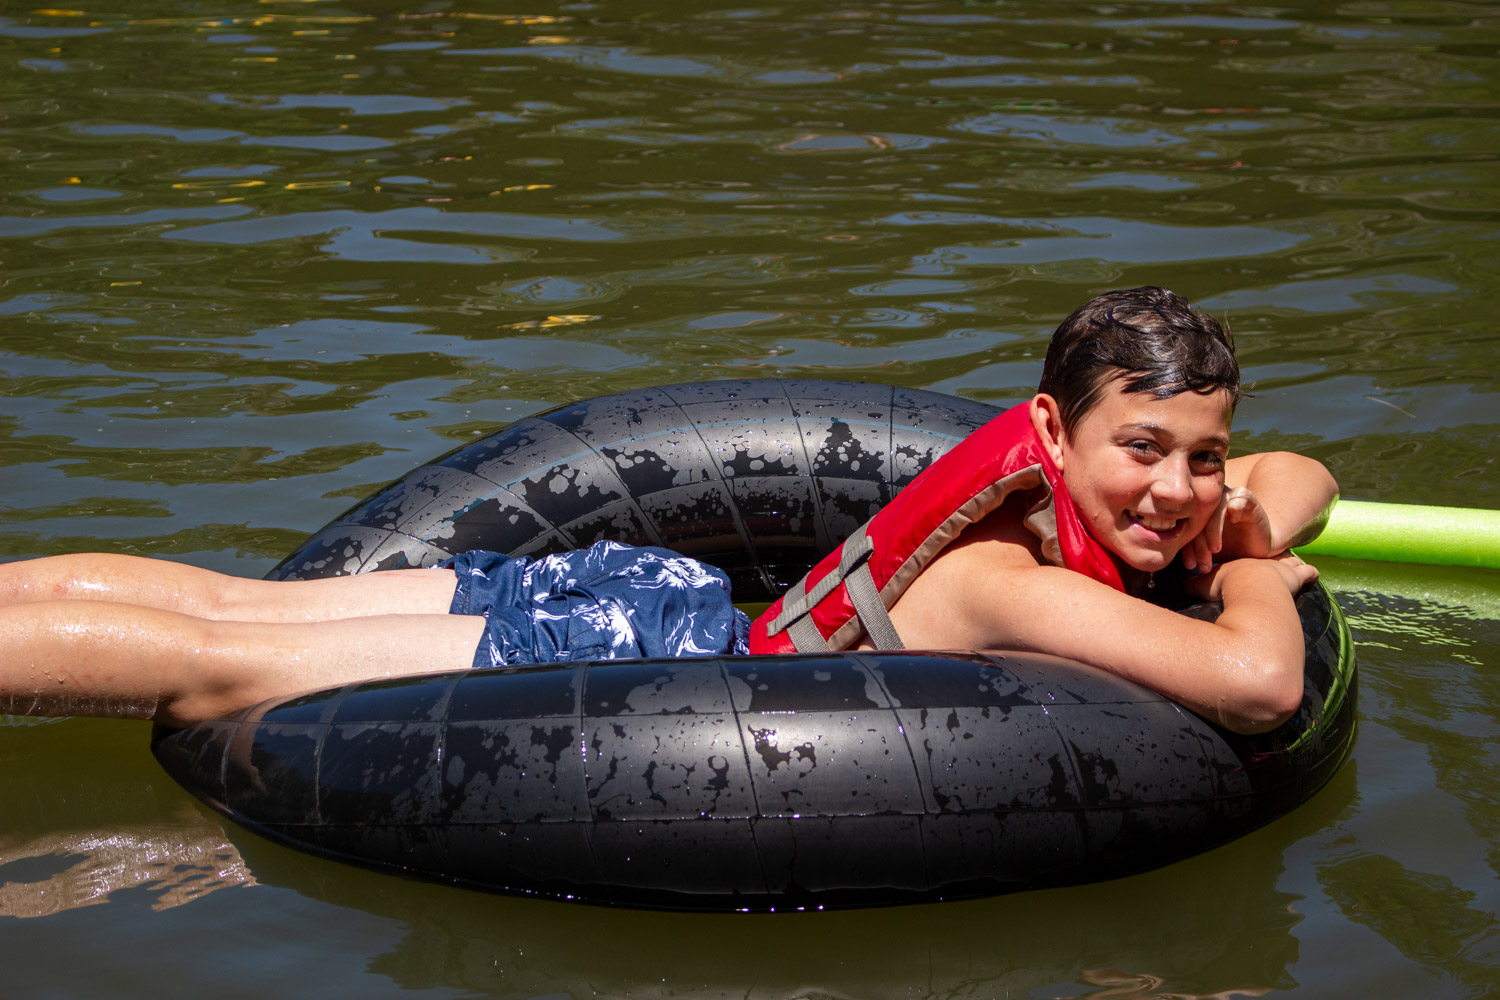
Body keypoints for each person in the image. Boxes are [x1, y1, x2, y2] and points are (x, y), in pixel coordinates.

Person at [0, 287, 1336, 735]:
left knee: (240, 606)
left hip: (659, 602)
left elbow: (1302, 474)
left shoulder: (1123, 503)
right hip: (627, 650)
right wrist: (1250, 576)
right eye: (1142, 449)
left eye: (1203, 459)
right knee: (225, 660)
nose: (1176, 490)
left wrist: (1254, 515)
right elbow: (1261, 685)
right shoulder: (1012, 578)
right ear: (1049, 432)